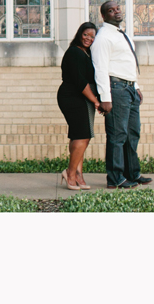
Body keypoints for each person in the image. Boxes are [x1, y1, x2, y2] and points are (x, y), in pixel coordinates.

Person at [90, 0, 153, 190]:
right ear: (104, 16)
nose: (116, 12)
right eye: (111, 10)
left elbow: (127, 62)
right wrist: (105, 98)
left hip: (130, 89)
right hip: (116, 90)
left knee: (132, 133)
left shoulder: (120, 34)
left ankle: (132, 173)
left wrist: (137, 86)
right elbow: (100, 69)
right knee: (117, 135)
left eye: (117, 8)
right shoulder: (103, 38)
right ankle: (115, 178)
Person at [56, 22, 103, 191]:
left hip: (82, 97)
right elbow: (80, 82)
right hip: (73, 96)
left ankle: (78, 174)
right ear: (79, 34)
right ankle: (70, 173)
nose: (89, 39)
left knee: (81, 135)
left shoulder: (87, 53)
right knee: (82, 135)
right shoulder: (74, 52)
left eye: (92, 36)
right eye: (86, 35)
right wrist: (96, 101)